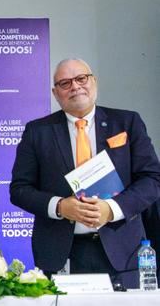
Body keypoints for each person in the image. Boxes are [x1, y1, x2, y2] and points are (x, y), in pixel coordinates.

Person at [10, 58, 160, 288]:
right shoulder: (37, 132)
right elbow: (19, 190)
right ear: (55, 92)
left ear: (94, 81)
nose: (75, 86)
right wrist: (60, 207)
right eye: (65, 83)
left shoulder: (127, 122)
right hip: (61, 253)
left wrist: (111, 209)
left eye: (81, 78)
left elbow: (152, 180)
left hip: (123, 251)